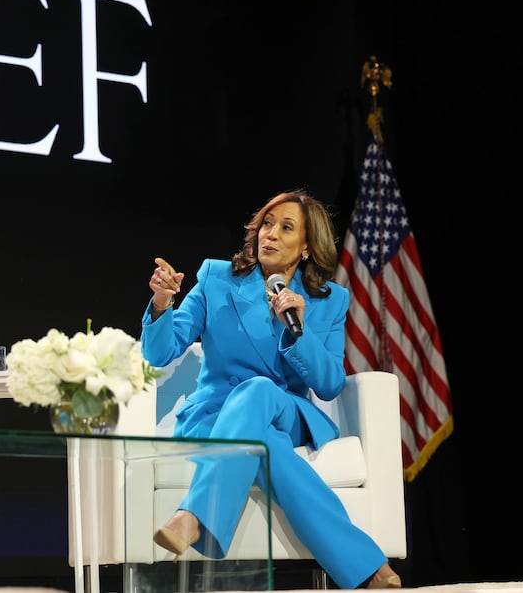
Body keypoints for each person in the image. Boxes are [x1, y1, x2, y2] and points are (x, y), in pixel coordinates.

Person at [140, 188, 401, 590]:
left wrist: (298, 329)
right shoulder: (216, 278)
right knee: (267, 446)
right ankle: (368, 568)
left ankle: (194, 515)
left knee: (260, 390)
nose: (270, 233)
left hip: (286, 410)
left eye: (286, 227)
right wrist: (161, 304)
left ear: (308, 246)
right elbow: (161, 353)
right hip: (216, 415)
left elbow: (330, 384)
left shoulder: (329, 300)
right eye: (266, 223)